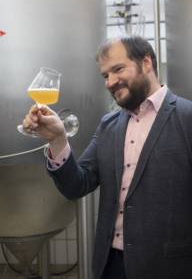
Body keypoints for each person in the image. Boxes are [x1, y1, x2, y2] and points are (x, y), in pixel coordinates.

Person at [22, 36, 192, 279]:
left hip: (169, 266)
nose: (110, 82)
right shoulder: (108, 125)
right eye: (105, 75)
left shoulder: (187, 118)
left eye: (118, 69)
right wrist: (58, 139)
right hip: (110, 264)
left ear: (146, 63)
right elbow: (76, 186)